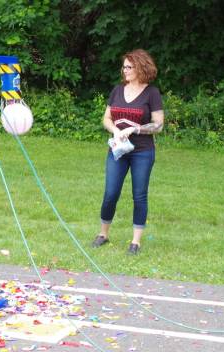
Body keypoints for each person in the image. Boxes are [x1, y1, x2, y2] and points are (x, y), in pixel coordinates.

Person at [92, 49, 164, 255]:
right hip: (118, 150)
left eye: (129, 67)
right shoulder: (117, 90)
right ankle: (103, 234)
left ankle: (135, 242)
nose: (125, 70)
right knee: (110, 193)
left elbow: (158, 125)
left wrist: (135, 129)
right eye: (124, 67)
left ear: (141, 67)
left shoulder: (152, 93)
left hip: (143, 151)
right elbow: (106, 118)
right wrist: (116, 130)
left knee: (139, 195)